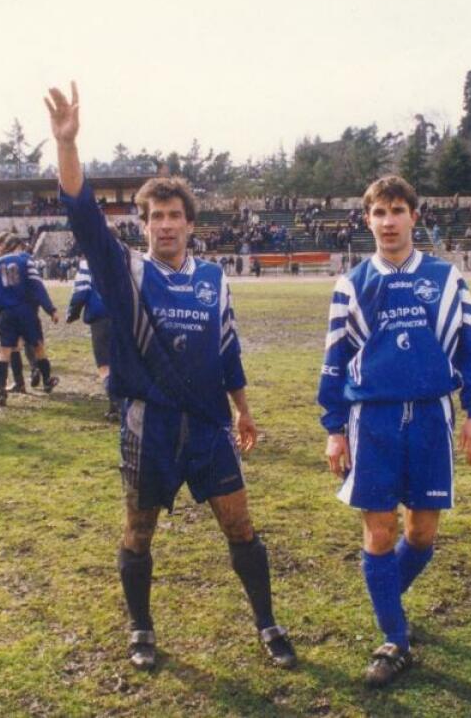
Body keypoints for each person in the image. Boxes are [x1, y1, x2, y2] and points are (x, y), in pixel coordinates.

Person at [47, 82, 296, 671]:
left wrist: (243, 409)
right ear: (143, 225)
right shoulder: (125, 271)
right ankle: (141, 628)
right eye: (155, 217)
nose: (165, 225)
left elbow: (227, 350)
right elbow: (81, 212)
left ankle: (268, 623)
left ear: (190, 223)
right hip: (148, 425)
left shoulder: (214, 279)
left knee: (241, 526)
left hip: (209, 426)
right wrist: (68, 145)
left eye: (174, 216)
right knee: (138, 532)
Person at [318, 175, 471, 688]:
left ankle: (387, 602)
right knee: (379, 531)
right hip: (371, 419)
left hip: (431, 417)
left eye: (397, 211)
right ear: (367, 220)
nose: (389, 221)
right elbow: (334, 359)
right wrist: (334, 428)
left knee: (421, 534)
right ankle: (394, 638)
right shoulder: (352, 284)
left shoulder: (445, 277)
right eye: (380, 212)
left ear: (414, 217)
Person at [0, 232, 59, 405]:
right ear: (18, 246)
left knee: (5, 352)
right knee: (38, 346)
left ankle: (1, 391)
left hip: (6, 313)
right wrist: (51, 309)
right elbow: (37, 287)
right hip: (26, 311)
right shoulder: (26, 261)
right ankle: (47, 381)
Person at [67, 257, 119, 420]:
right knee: (122, 361)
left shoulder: (89, 262)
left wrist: (73, 312)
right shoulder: (127, 260)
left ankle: (115, 404)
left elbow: (81, 290)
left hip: (100, 317)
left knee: (104, 365)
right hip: (124, 318)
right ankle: (125, 404)